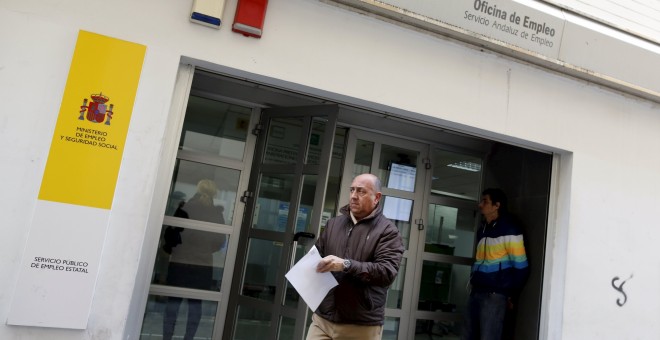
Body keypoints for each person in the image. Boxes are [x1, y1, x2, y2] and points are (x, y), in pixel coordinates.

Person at [307, 173, 404, 340]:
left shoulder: (388, 231)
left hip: (360, 325)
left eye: (361, 191)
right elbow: (316, 258)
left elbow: (386, 273)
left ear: (377, 197)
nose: (353, 196)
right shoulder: (333, 224)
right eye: (352, 190)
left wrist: (346, 265)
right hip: (323, 319)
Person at [162, 179, 226, 340]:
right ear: (214, 193)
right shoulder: (217, 214)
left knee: (173, 302)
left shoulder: (185, 207)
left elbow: (171, 234)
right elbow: (220, 241)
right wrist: (204, 250)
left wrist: (173, 249)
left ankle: (167, 337)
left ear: (198, 189)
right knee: (195, 305)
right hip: (203, 264)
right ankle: (188, 338)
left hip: (180, 262)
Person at [463, 188, 529, 340]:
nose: (480, 205)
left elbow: (521, 266)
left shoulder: (510, 230)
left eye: (485, 201)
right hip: (476, 291)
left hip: (495, 295)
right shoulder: (483, 229)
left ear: (496, 205)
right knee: (467, 336)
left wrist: (512, 295)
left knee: (489, 336)